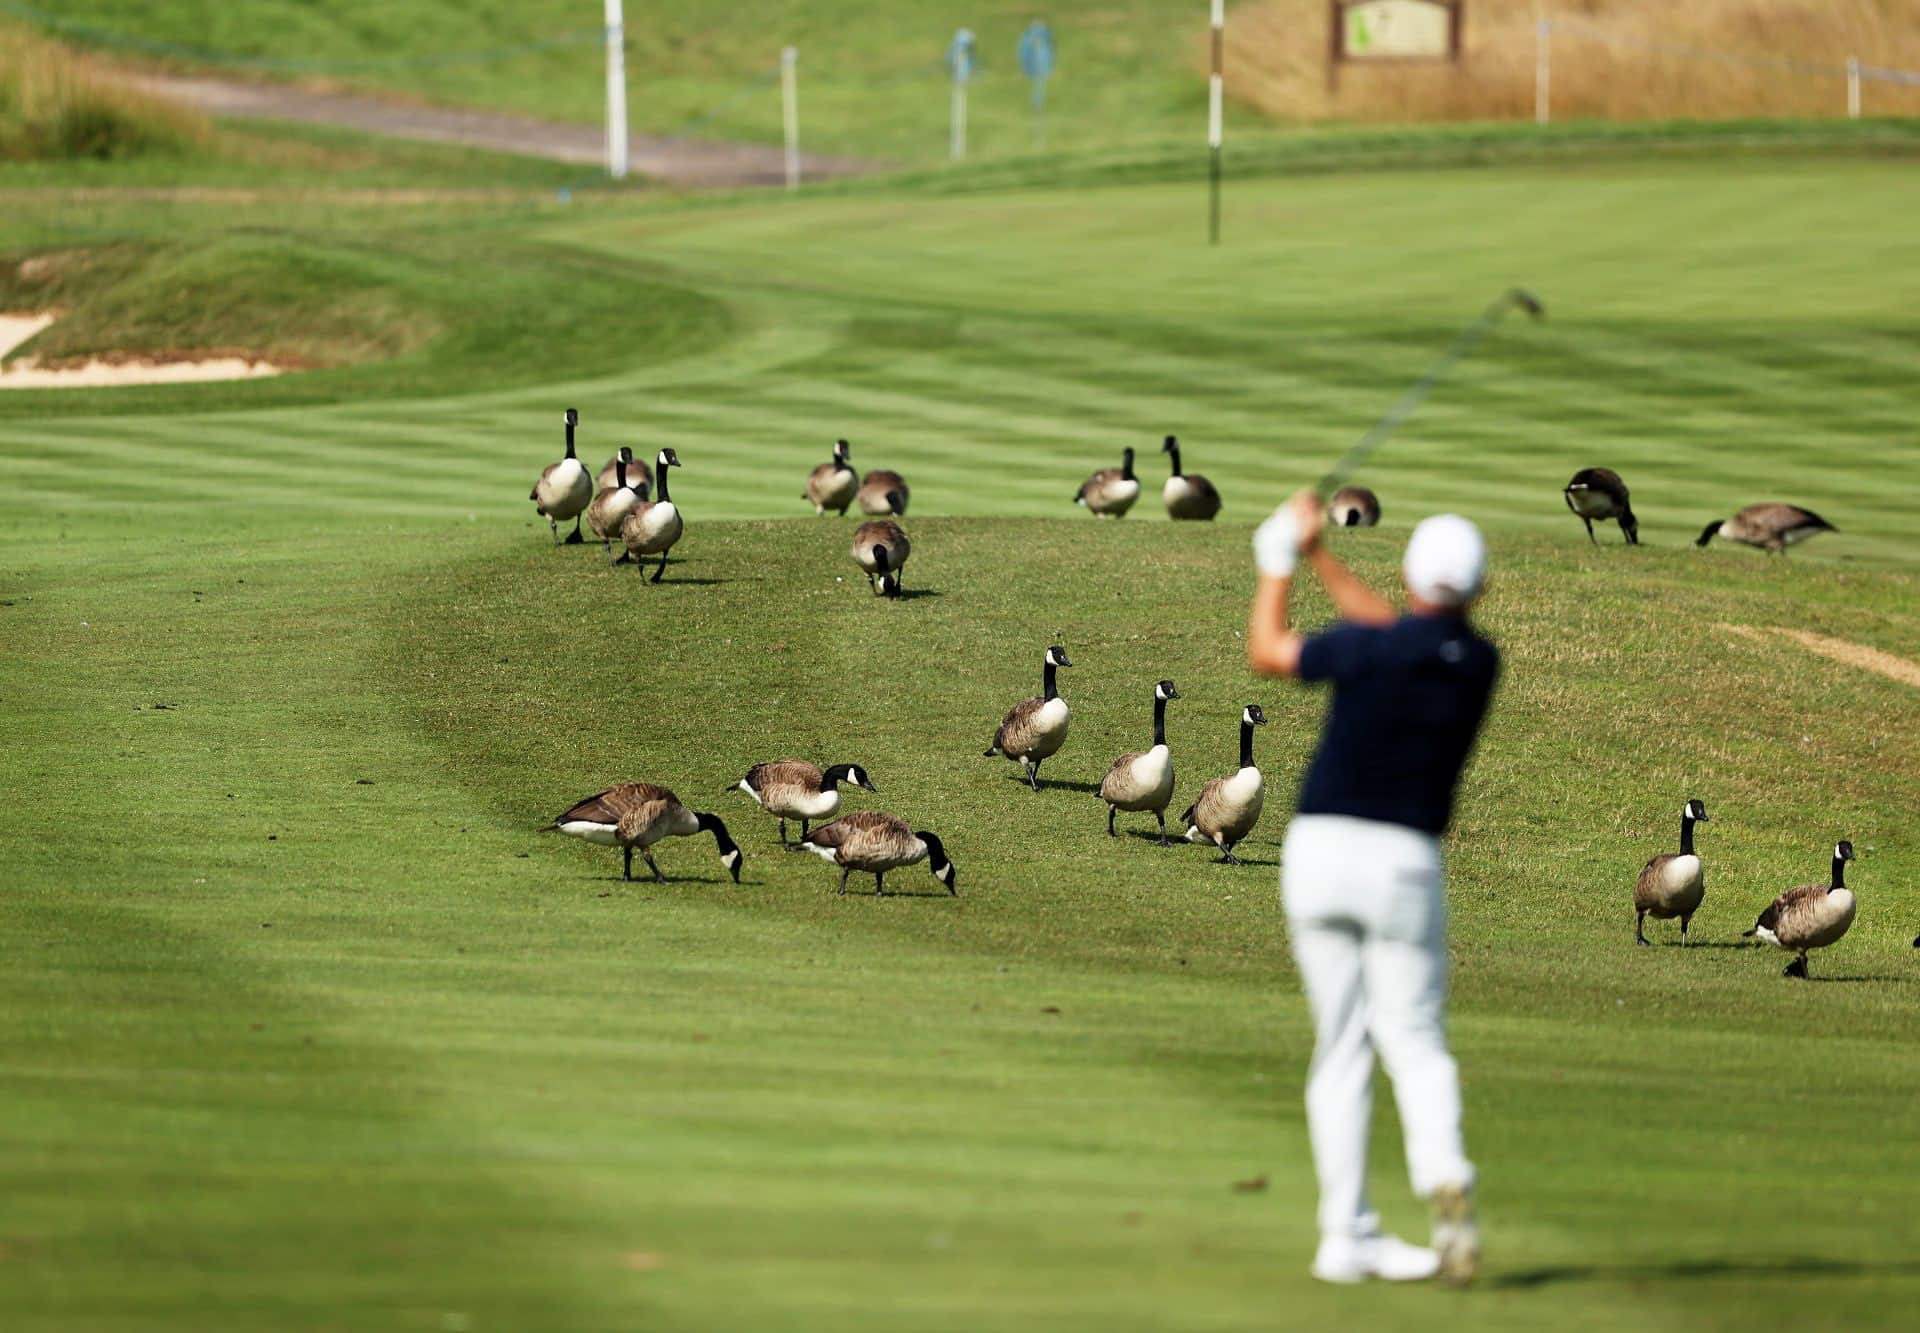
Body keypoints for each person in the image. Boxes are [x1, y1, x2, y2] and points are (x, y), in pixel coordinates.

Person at [1245, 489, 1499, 1286]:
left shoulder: (1369, 648)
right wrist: (1320, 554)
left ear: (1410, 576)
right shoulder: (1477, 661)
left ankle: (1344, 1235)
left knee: (1342, 1045)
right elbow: (1403, 630)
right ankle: (1442, 1173)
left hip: (1318, 851)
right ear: (1479, 589)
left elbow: (1270, 649)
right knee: (1415, 1039)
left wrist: (1279, 561)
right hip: (1402, 863)